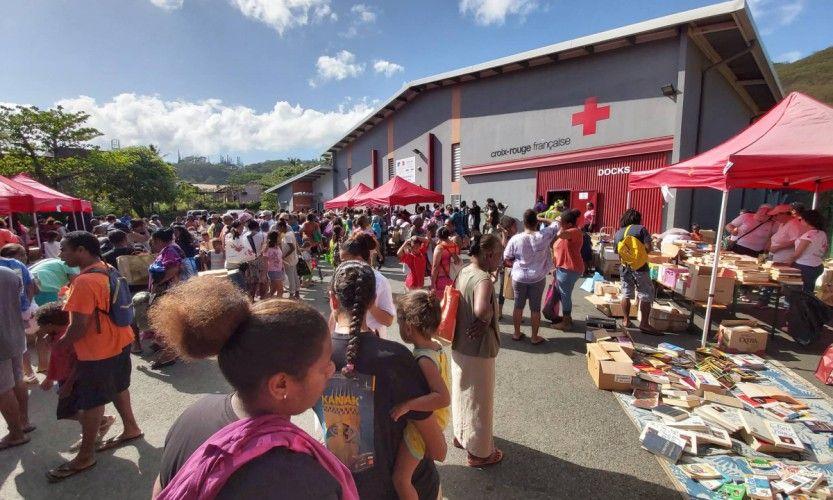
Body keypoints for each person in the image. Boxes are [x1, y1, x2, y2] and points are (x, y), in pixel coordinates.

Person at [150, 277, 357, 499]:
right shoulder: (298, 480)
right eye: (323, 365)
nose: (331, 369)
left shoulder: (192, 416)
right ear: (280, 385)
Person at [321, 261, 444, 499]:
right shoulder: (396, 358)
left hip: (346, 487)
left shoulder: (314, 358)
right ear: (373, 300)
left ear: (332, 299)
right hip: (401, 487)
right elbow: (437, 448)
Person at [49, 231, 142, 481]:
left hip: (98, 350)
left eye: (64, 250)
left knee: (92, 401)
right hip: (120, 340)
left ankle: (85, 456)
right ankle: (131, 428)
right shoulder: (106, 268)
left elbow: (78, 326)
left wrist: (60, 345)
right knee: (119, 387)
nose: (60, 255)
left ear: (81, 250)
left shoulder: (84, 282)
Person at [391, 290, 449, 500]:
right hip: (438, 418)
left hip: (424, 426)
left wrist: (408, 405)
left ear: (408, 327)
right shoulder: (437, 346)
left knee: (401, 478)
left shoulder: (423, 359)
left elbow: (443, 397)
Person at [452, 233, 504, 467]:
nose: (501, 260)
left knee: (462, 393)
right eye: (499, 255)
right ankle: (480, 453)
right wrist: (486, 319)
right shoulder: (483, 279)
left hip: (459, 343)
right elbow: (482, 310)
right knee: (479, 401)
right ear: (489, 254)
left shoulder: (464, 270)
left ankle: (461, 435)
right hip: (478, 349)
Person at [36, 302, 117, 451]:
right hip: (65, 379)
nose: (40, 330)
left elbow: (79, 363)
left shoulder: (69, 338)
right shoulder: (55, 336)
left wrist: (68, 384)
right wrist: (50, 377)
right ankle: (100, 424)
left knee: (72, 410)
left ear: (50, 324)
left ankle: (99, 424)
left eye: (42, 326)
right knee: (69, 411)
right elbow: (56, 360)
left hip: (75, 379)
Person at [502, 209, 559, 344]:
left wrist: (516, 263)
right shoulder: (544, 235)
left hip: (519, 277)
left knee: (518, 306)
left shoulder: (516, 238)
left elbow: (506, 258)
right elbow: (557, 222)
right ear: (536, 222)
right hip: (537, 277)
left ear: (524, 222)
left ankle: (516, 333)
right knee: (535, 308)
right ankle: (534, 337)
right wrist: (543, 219)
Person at [338, 234, 395, 338]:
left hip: (373, 339)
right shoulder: (341, 278)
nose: (342, 265)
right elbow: (335, 313)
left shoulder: (379, 281)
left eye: (345, 261)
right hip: (345, 336)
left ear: (359, 258)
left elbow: (388, 321)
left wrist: (370, 305)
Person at [613, 209, 660, 335]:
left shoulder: (618, 233)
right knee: (645, 294)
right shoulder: (641, 229)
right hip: (641, 267)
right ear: (637, 219)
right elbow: (649, 247)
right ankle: (644, 324)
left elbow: (617, 253)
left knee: (626, 293)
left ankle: (626, 320)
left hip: (625, 267)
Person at [0, 267, 31, 451]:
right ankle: (24, 422)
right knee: (18, 378)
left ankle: (16, 433)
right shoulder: (8, 272)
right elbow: (23, 300)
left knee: (3, 388)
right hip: (15, 334)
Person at [551, 209, 585, 331]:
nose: (559, 225)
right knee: (565, 295)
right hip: (564, 268)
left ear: (569, 224)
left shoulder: (574, 231)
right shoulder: (569, 230)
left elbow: (560, 235)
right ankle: (567, 318)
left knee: (565, 296)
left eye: (561, 223)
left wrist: (560, 225)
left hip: (569, 269)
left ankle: (566, 323)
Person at [787, 209, 828, 294]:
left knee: (799, 293)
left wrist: (787, 263)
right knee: (808, 291)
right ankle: (807, 306)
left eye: (801, 219)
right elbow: (825, 250)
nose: (800, 221)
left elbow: (797, 254)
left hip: (804, 266)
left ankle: (802, 307)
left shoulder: (808, 235)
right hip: (817, 265)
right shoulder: (822, 233)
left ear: (807, 221)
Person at [241, 220, 268, 300]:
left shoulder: (244, 236)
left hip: (248, 260)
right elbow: (265, 250)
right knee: (263, 280)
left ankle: (251, 299)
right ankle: (262, 298)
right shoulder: (263, 235)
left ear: (248, 227)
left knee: (252, 281)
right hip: (260, 259)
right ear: (257, 226)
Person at [431, 227, 461, 299]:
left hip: (441, 279)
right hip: (453, 278)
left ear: (438, 236)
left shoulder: (440, 248)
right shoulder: (454, 245)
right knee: (450, 303)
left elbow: (435, 266)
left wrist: (432, 283)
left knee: (441, 304)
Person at [278, 220, 300, 300]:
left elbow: (292, 247)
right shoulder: (290, 233)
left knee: (291, 277)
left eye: (278, 228)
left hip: (289, 259)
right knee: (294, 276)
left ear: (282, 227)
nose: (278, 230)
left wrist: (283, 256)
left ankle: (291, 294)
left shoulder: (287, 235)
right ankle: (297, 293)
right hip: (293, 258)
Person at [264, 231, 285, 298]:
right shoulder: (268, 249)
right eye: (279, 237)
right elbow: (265, 260)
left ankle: (266, 301)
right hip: (273, 271)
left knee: (273, 290)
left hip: (279, 270)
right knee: (280, 290)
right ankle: (278, 305)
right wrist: (264, 274)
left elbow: (280, 258)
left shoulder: (278, 247)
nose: (280, 239)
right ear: (275, 238)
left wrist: (283, 266)